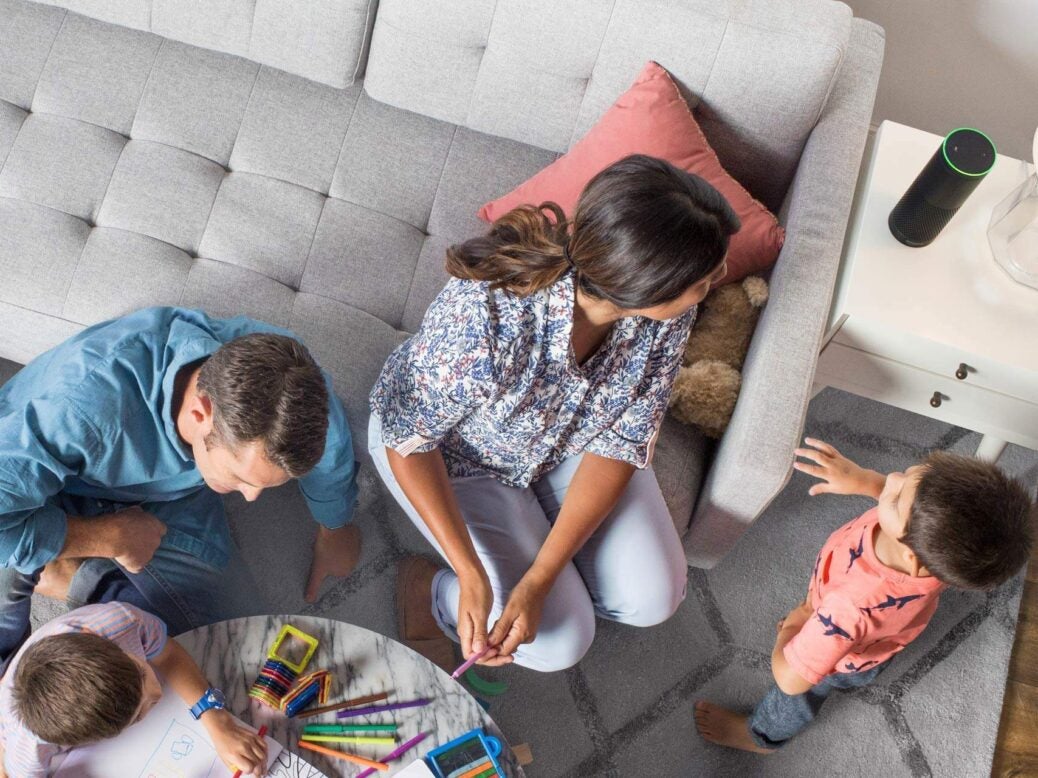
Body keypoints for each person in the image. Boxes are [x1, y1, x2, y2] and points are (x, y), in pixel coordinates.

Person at [369, 154, 740, 672]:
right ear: (642, 290)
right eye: (704, 278)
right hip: (451, 458)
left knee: (655, 598)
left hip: (572, 444)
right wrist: (471, 572)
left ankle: (553, 566)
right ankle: (430, 590)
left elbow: (620, 442)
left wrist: (542, 577)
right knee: (559, 644)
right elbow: (407, 440)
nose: (721, 277)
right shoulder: (485, 321)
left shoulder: (668, 317)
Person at [0, 307, 360, 668]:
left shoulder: (291, 381)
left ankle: (73, 575)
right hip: (41, 490)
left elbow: (332, 445)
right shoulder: (81, 412)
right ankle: (53, 577)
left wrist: (334, 525)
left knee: (243, 650)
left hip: (168, 492)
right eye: (240, 477)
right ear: (199, 414)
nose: (251, 497)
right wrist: (108, 538)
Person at [694, 437, 1036, 752]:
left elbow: (790, 680)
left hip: (842, 657)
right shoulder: (940, 556)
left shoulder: (852, 607)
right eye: (909, 474)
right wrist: (865, 481)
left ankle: (761, 735)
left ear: (912, 556)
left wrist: (794, 626)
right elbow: (909, 503)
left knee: (798, 699)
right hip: (878, 634)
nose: (894, 479)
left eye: (896, 496)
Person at [0, 602, 268, 777]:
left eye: (141, 672)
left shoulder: (122, 621)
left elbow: (169, 655)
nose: (157, 693)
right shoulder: (30, 746)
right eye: (138, 716)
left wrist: (218, 721)